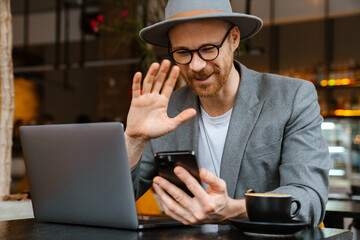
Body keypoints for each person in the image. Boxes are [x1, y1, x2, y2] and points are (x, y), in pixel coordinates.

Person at [125, 0, 330, 226]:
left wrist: (236, 208)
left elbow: (310, 199)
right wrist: (134, 141)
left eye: (208, 49)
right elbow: (121, 198)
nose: (196, 65)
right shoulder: (165, 110)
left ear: (234, 38)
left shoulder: (290, 98)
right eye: (183, 52)